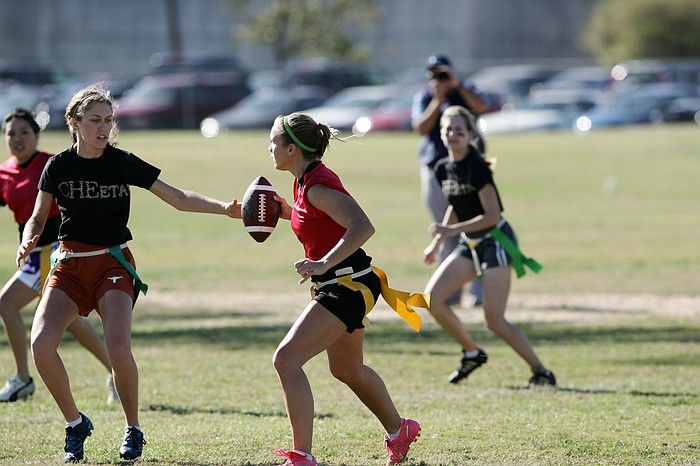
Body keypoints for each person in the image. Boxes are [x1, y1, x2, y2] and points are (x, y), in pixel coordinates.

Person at [16, 85, 240, 463]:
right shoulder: (58, 166)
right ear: (74, 123)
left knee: (118, 347)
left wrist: (225, 209)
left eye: (108, 120)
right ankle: (75, 424)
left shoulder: (121, 162)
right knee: (40, 345)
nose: (104, 128)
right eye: (94, 121)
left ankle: (133, 427)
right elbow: (38, 215)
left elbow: (178, 197)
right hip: (69, 265)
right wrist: (28, 238)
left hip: (112, 265)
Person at [269, 112, 424, 466]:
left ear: (292, 149)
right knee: (347, 370)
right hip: (345, 282)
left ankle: (302, 457)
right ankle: (399, 430)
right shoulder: (304, 181)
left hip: (347, 284)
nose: (270, 148)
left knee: (287, 359)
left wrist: (322, 263)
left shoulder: (318, 185)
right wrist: (286, 212)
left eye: (274, 142)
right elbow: (317, 218)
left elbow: (362, 226)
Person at [422, 105, 555, 387]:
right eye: (448, 129)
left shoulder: (477, 167)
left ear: (471, 135)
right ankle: (472, 352)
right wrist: (437, 242)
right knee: (433, 299)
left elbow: (492, 215)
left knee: (493, 320)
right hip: (470, 242)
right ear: (441, 134)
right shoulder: (442, 167)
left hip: (495, 241)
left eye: (460, 130)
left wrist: (451, 231)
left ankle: (541, 372)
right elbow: (456, 207)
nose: (453, 134)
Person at [1, 108, 117, 405]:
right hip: (32, 255)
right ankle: (115, 372)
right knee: (71, 321)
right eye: (11, 134)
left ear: (36, 135)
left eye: (24, 132)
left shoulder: (50, 165)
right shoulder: (5, 172)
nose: (17, 139)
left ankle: (23, 379)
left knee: (7, 303)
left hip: (57, 251)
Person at [411, 53, 492, 307]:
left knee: (477, 227)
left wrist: (457, 86)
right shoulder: (426, 95)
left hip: (468, 167)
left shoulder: (466, 89)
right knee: (444, 229)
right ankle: (451, 291)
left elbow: (481, 107)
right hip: (435, 168)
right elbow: (421, 128)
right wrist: (438, 98)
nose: (439, 78)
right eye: (434, 74)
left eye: (443, 72)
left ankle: (478, 292)